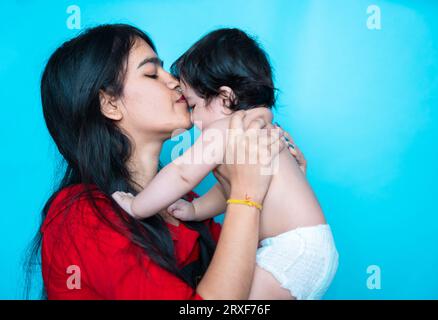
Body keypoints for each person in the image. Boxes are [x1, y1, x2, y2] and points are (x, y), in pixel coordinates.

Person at [30, 24, 298, 300]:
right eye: (151, 73)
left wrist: (282, 187)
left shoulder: (185, 205)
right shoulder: (81, 216)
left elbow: (259, 281)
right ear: (110, 104)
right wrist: (246, 194)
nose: (174, 81)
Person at [112, 28, 339, 300]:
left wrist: (137, 206)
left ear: (225, 98)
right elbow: (231, 190)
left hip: (288, 250)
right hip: (309, 248)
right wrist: (195, 209)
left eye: (194, 105)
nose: (193, 119)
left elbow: (183, 173)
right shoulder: (263, 129)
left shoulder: (228, 128)